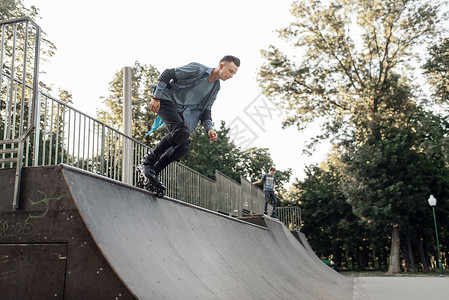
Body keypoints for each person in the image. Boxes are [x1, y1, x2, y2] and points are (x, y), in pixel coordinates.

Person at [138, 55, 240, 188]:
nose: (231, 76)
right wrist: (156, 97)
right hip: (165, 99)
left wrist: (209, 128)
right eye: (230, 71)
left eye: (234, 73)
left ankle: (151, 175)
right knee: (181, 131)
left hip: (181, 112)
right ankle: (147, 162)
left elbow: (206, 110)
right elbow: (168, 73)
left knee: (183, 146)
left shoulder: (215, 88)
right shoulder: (198, 69)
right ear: (221, 65)